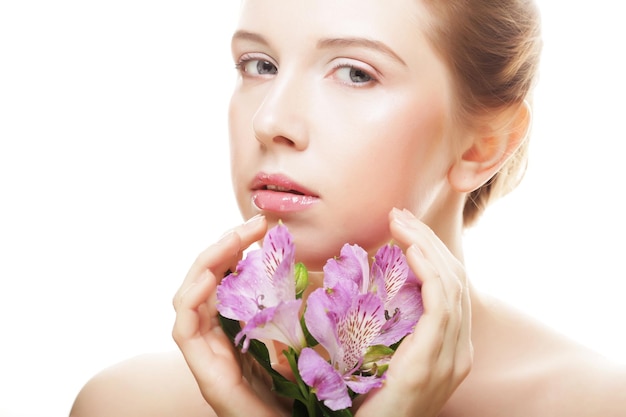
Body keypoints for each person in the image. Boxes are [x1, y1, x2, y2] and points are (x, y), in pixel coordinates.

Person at [70, 0, 626, 416]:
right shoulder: (124, 404)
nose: (270, 120)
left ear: (484, 144)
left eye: (356, 72)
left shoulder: (593, 404)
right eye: (259, 64)